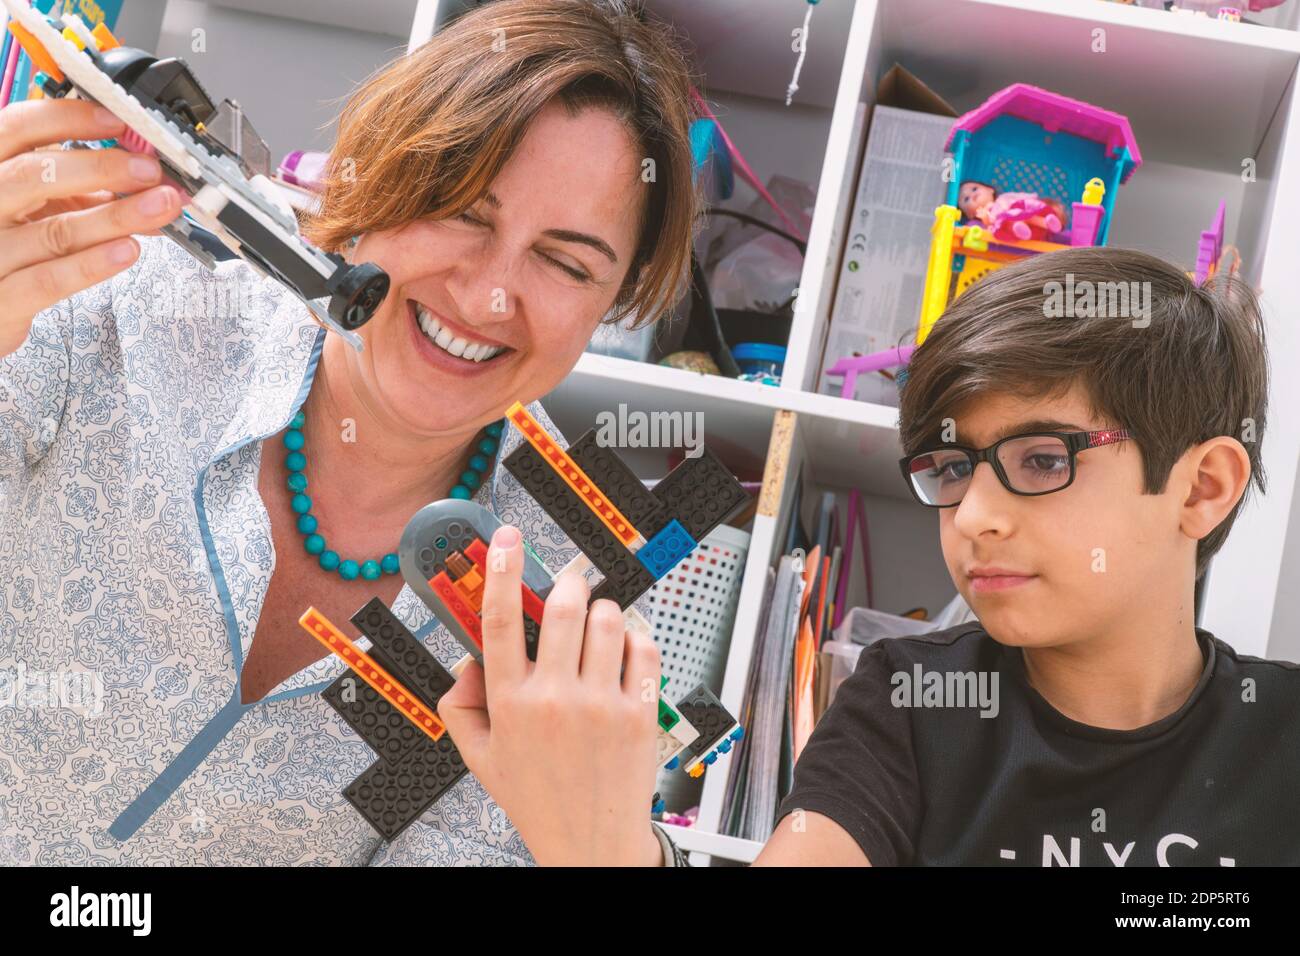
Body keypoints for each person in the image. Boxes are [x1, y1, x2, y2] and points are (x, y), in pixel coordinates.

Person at [0, 0, 695, 865]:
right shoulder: (121, 298)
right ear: (373, 185)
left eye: (565, 263)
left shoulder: (573, 581)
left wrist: (607, 851)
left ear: (614, 305)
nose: (487, 297)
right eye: (465, 212)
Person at [450, 246, 1300, 866]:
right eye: (953, 468)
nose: (974, 516)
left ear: (1201, 489)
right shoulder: (906, 705)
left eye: (1044, 459)